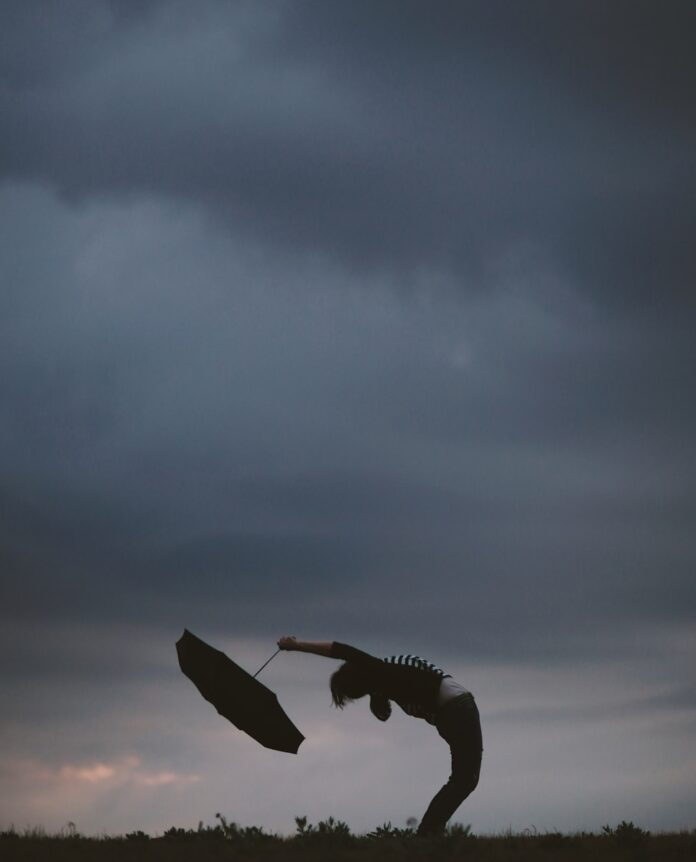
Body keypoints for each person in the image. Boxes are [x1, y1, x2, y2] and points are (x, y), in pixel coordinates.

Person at [277, 635, 482, 836]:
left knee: (463, 780)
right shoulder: (382, 681)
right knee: (463, 779)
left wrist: (297, 645)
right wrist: (377, 697)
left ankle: (428, 832)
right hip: (455, 711)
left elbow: (338, 649)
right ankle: (429, 832)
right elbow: (384, 713)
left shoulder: (378, 669)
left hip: (456, 709)